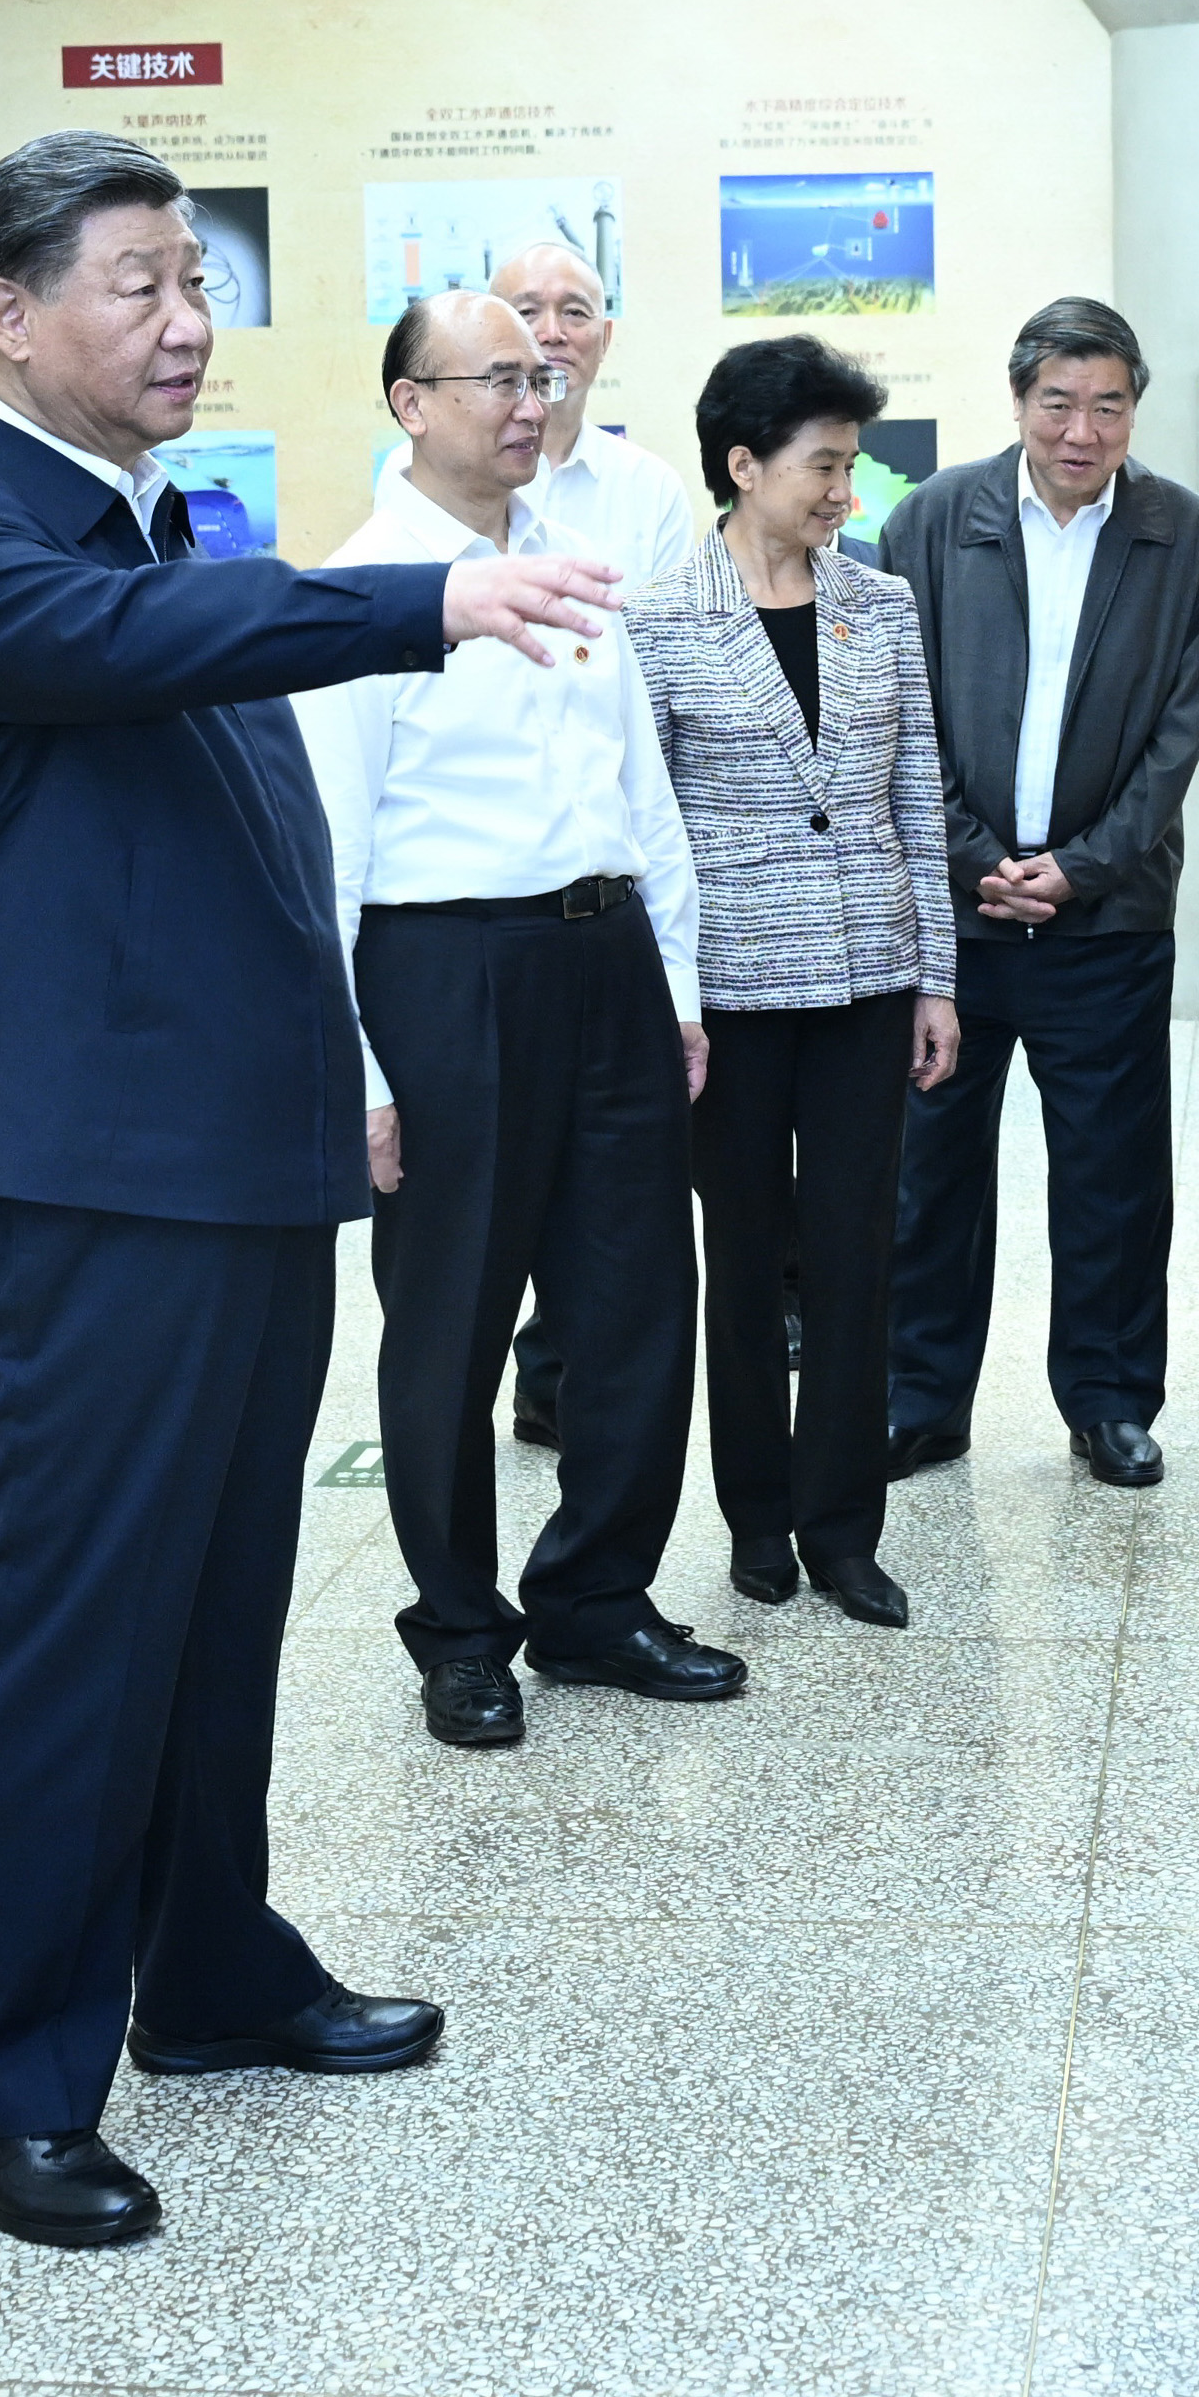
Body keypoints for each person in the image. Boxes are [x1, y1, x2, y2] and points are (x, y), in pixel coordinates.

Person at [0, 130, 616, 2250]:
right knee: (67, 1624)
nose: (186, 320)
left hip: (236, 1166)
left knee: (208, 1603)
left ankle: (202, 1965)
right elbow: (142, 644)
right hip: (91, 1181)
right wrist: (428, 594)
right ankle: (1, 2085)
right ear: (7, 312)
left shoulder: (150, 515)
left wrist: (333, 1090)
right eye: (138, 282)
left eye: (196, 278)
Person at [298, 290, 716, 1749]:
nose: (530, 402)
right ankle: (461, 1631)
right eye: (496, 378)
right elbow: (323, 858)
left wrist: (675, 988)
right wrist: (358, 1072)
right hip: (445, 973)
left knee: (638, 1301)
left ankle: (597, 1600)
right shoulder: (363, 591)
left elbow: (643, 793)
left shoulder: (572, 564)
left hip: (607, 960)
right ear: (410, 402)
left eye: (540, 378)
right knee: (451, 1319)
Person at [877, 296, 1199, 1493]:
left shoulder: (1185, 539)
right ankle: (918, 1397)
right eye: (1058, 403)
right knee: (928, 1168)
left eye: (1107, 406)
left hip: (1107, 915)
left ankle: (1108, 1400)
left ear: (1134, 410)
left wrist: (1081, 866)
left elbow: (1177, 737)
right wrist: (968, 853)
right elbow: (898, 714)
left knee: (1111, 1177)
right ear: (1017, 398)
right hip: (954, 914)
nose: (1081, 430)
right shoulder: (932, 521)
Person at [628, 334, 960, 1625]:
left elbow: (916, 797)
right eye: (823, 465)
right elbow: (651, 829)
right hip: (731, 996)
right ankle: (756, 1518)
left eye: (849, 465)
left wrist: (934, 976)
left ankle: (842, 1526)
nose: (842, 491)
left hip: (869, 977)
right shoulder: (658, 619)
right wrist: (670, 1001)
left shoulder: (882, 605)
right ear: (743, 463)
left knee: (854, 1252)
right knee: (743, 1252)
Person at [485, 236, 707, 1452]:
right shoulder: (432, 483)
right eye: (525, 309)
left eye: (574, 310)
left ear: (605, 336)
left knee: (609, 1161)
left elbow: (663, 684)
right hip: (490, 877)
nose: (551, 331)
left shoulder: (646, 491)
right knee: (511, 1153)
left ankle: (567, 1365)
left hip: (615, 857)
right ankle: (531, 1359)